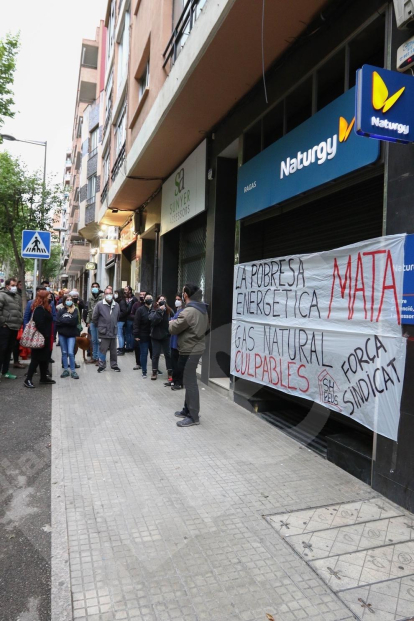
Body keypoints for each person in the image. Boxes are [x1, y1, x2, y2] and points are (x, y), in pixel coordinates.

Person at [169, 283, 209, 427]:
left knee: (190, 382)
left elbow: (173, 328)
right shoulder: (202, 309)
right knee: (188, 380)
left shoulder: (189, 311)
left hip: (189, 350)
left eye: (183, 292)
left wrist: (172, 321)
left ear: (185, 295)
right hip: (195, 348)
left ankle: (193, 416)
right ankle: (187, 410)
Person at [23, 290, 56, 388]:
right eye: (49, 296)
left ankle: (43, 378)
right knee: (36, 359)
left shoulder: (45, 308)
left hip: (44, 337)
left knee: (44, 359)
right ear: (44, 298)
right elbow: (39, 324)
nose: (50, 298)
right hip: (40, 338)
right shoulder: (39, 309)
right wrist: (45, 335)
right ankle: (28, 379)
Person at [92, 287, 121, 373]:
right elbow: (94, 318)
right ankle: (102, 365)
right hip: (103, 331)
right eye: (107, 293)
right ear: (104, 295)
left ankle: (114, 365)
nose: (108, 295)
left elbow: (117, 317)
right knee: (102, 350)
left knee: (113, 350)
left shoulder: (116, 305)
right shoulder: (99, 304)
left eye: (110, 293)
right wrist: (101, 326)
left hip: (113, 331)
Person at [0, 278, 24, 381]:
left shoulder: (17, 297)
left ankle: (5, 371)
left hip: (15, 327)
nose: (14, 287)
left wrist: (20, 321)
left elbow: (19, 311)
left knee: (8, 350)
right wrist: (3, 322)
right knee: (2, 350)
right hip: (5, 327)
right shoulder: (2, 295)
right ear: (7, 286)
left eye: (15, 285)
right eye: (13, 285)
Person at [149, 295, 173, 381]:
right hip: (155, 336)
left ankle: (170, 372)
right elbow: (153, 320)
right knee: (155, 354)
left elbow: (173, 319)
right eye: (160, 299)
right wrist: (159, 310)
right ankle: (154, 371)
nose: (162, 301)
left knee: (168, 354)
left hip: (166, 336)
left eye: (164, 299)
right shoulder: (153, 310)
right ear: (157, 302)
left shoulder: (169, 311)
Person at [56, 294, 80, 379]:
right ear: (64, 301)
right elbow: (57, 322)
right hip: (62, 335)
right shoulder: (61, 310)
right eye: (67, 299)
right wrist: (67, 321)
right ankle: (66, 370)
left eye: (70, 299)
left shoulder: (75, 310)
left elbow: (74, 321)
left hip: (71, 335)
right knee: (64, 352)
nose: (69, 301)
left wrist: (64, 321)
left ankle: (73, 371)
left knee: (70, 352)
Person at [166, 294, 184, 390]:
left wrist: (172, 322)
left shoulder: (184, 312)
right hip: (173, 341)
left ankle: (179, 382)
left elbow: (177, 323)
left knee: (178, 364)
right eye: (176, 299)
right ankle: (174, 380)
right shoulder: (176, 311)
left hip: (179, 342)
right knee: (173, 363)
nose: (177, 301)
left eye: (179, 299)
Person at [133, 293, 153, 378]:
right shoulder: (140, 310)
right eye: (147, 298)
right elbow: (136, 323)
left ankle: (155, 369)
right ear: (144, 299)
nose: (148, 299)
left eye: (150, 298)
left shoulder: (154, 310)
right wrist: (136, 335)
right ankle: (144, 371)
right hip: (143, 335)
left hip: (153, 336)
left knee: (154, 354)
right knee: (144, 353)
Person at [86, 282, 104, 365]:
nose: (95, 288)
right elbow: (89, 310)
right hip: (92, 322)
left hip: (100, 322)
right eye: (93, 287)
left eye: (96, 286)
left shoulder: (102, 297)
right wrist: (88, 321)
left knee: (100, 340)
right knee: (94, 340)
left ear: (99, 288)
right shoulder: (90, 298)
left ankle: (100, 359)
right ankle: (94, 357)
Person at [123, 286, 138, 352]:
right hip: (128, 318)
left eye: (126, 290)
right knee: (128, 333)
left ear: (130, 291)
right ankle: (130, 346)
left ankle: (129, 347)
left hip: (130, 318)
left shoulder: (133, 299)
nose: (125, 291)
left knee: (129, 333)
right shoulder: (126, 298)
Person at [114, 289, 128, 355]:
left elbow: (124, 311)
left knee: (120, 335)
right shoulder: (119, 301)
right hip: (120, 320)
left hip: (120, 320)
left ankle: (121, 349)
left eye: (116, 293)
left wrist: (117, 315)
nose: (115, 294)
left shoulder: (122, 302)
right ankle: (120, 347)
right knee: (119, 334)